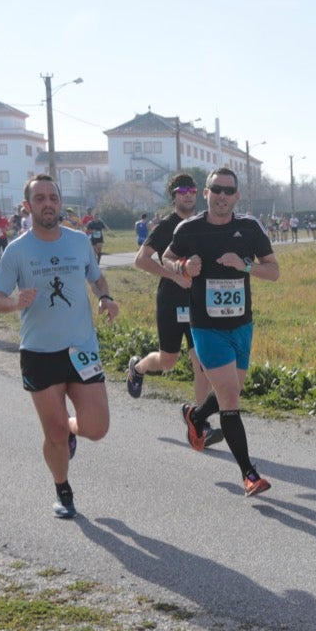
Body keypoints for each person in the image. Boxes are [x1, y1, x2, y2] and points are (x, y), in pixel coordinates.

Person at [0, 173, 118, 520]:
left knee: (97, 428)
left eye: (53, 198)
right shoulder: (17, 250)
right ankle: (63, 489)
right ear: (28, 206)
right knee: (53, 432)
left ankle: (72, 429)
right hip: (39, 353)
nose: (48, 204)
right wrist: (13, 303)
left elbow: (96, 277)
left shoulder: (79, 241)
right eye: (40, 198)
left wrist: (105, 297)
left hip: (81, 348)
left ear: (60, 203)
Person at [161, 167, 278, 495]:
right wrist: (183, 267)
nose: (222, 196)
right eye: (216, 189)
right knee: (229, 396)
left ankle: (195, 416)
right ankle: (249, 474)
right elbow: (166, 258)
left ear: (237, 196)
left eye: (228, 191)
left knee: (232, 389)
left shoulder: (250, 228)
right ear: (206, 193)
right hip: (206, 325)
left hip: (241, 325)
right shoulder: (189, 228)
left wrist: (245, 265)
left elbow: (274, 271)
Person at [127, 174, 222, 447]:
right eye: (182, 191)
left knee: (201, 362)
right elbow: (141, 260)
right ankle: (138, 368)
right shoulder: (166, 226)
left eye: (192, 190)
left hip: (198, 303)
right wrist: (174, 276)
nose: (188, 195)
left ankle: (200, 423)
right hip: (171, 300)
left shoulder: (202, 223)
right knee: (168, 361)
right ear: (174, 196)